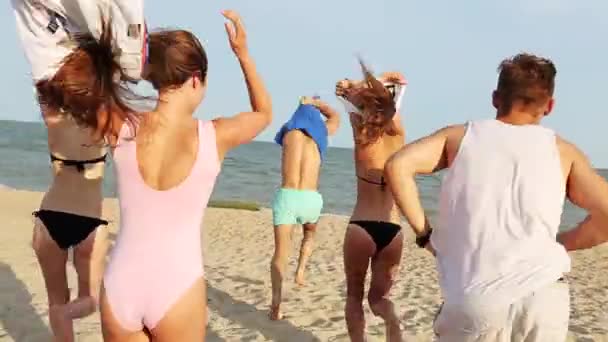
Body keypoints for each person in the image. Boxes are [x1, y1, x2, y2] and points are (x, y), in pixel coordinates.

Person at [51, 10, 272, 341]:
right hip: (177, 287)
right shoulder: (215, 135)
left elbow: (67, 87)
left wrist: (108, 54)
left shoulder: (121, 126)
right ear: (196, 79)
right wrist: (242, 53)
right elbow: (263, 113)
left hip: (122, 283)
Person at [385, 53, 608, 341]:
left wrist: (425, 235)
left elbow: (397, 166)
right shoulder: (563, 152)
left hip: (476, 297)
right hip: (544, 296)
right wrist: (563, 242)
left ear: (495, 98)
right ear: (549, 106)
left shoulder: (460, 137)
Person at [11, 1, 145, 341]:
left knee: (57, 303)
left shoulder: (52, 116)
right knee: (88, 301)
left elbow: (43, 76)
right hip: (90, 223)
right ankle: (67, 312)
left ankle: (61, 319)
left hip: (49, 217)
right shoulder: (103, 120)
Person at [337, 63, 407, 342]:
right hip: (393, 230)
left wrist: (356, 84)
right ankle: (391, 321)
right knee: (379, 299)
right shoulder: (398, 133)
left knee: (354, 296)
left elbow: (344, 88)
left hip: (361, 226)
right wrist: (383, 81)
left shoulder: (360, 130)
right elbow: (401, 80)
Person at [270, 96, 340, 320]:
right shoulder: (321, 132)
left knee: (281, 253)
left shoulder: (289, 132)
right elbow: (336, 117)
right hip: (311, 198)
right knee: (309, 234)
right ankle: (301, 270)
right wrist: (318, 104)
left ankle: (276, 305)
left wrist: (303, 103)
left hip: (288, 196)